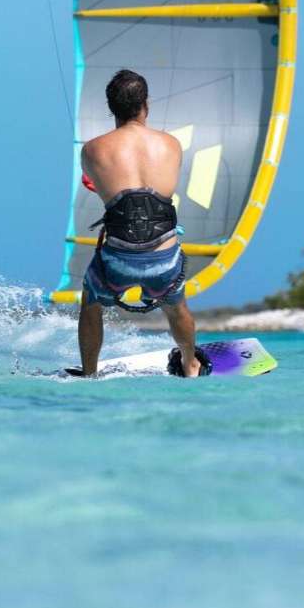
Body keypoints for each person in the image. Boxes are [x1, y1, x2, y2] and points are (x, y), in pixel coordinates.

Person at [76, 69, 207, 378]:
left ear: (111, 107)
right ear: (145, 104)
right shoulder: (171, 144)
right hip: (164, 259)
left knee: (91, 302)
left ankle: (90, 373)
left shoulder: (92, 149)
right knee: (177, 306)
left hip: (116, 262)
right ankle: (190, 363)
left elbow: (101, 183)